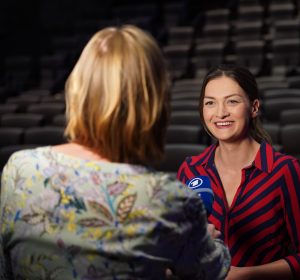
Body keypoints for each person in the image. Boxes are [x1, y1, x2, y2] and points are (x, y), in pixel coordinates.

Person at [0, 25, 230, 279]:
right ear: (155, 103)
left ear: (78, 90)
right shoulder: (168, 199)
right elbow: (212, 271)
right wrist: (204, 239)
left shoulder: (19, 169)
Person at [177, 64, 300, 279]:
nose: (220, 113)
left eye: (232, 101)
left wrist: (244, 276)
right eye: (210, 103)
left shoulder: (284, 170)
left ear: (254, 107)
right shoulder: (190, 170)